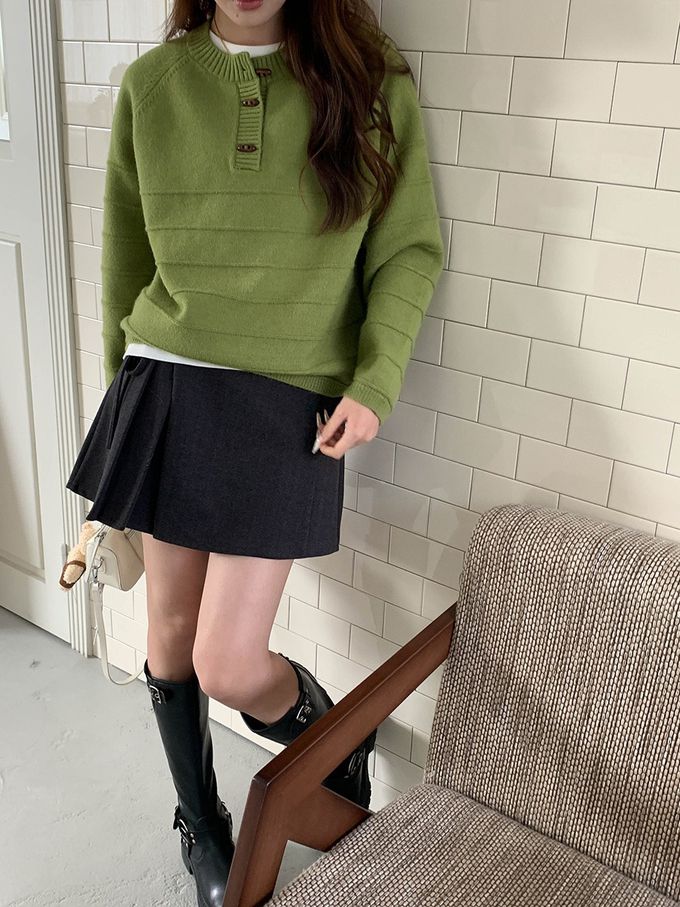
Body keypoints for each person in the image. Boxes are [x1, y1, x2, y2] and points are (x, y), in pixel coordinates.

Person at [65, 0, 444, 903]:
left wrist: (374, 381)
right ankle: (202, 828)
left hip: (288, 397)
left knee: (228, 662)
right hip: (165, 384)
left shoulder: (369, 80)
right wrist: (125, 411)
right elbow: (125, 259)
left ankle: (334, 741)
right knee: (167, 640)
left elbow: (409, 249)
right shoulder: (154, 84)